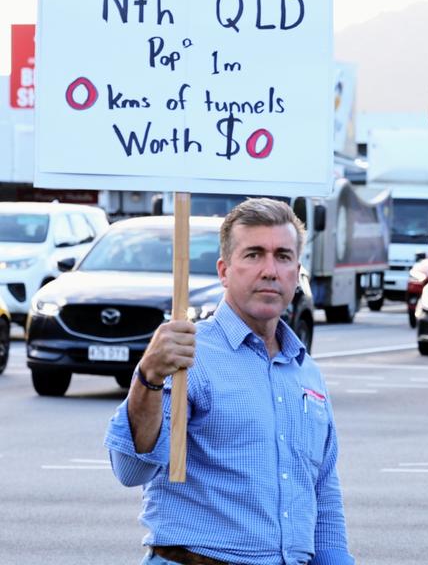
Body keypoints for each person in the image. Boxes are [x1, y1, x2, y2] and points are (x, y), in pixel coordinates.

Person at [105, 198, 354, 565]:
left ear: (297, 272)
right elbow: (131, 470)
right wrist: (148, 378)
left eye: (283, 256)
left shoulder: (305, 371)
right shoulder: (189, 357)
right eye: (254, 254)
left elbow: (322, 490)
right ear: (224, 270)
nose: (270, 270)